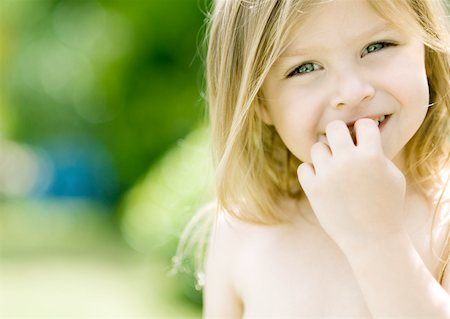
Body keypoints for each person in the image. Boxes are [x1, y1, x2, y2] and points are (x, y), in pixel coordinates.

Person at [178, 0, 450, 317]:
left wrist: (379, 241)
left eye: (378, 46)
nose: (351, 92)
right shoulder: (243, 231)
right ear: (259, 101)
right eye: (304, 68)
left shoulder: (442, 223)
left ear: (426, 52)